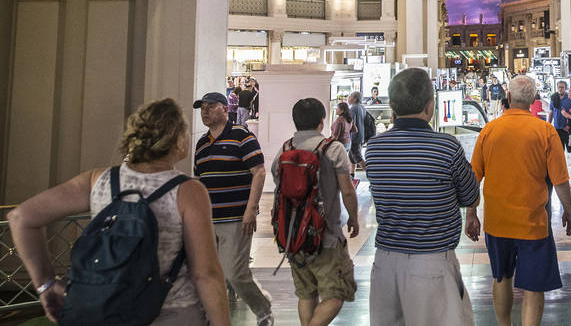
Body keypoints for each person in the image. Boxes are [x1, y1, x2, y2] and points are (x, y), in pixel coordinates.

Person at [9, 98, 231, 325]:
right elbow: (206, 275)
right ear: (177, 140)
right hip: (172, 313)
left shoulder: (99, 180)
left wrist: (45, 284)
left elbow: (20, 217)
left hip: (107, 310)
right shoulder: (188, 192)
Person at [366, 69, 480, 325]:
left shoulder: (374, 148)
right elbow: (471, 196)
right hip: (432, 263)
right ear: (430, 107)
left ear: (392, 107)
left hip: (385, 263)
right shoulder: (446, 147)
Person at [471, 75, 571, 326]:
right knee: (533, 286)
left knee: (501, 278)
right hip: (533, 223)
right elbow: (560, 179)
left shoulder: (489, 130)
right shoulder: (545, 131)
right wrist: (568, 211)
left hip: (497, 223)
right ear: (533, 101)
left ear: (507, 98)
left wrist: (471, 214)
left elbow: (473, 178)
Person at [272, 98, 359, 326]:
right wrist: (353, 217)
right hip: (326, 235)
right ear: (322, 121)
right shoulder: (333, 148)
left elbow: (277, 181)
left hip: (293, 236)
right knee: (337, 293)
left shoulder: (285, 148)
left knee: (306, 293)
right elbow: (347, 190)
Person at [193, 91, 274, 326]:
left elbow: (258, 172)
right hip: (209, 220)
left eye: (210, 107)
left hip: (236, 218)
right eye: (202, 108)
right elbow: (199, 181)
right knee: (212, 274)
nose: (205, 112)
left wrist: (251, 209)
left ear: (224, 108)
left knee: (235, 274)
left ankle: (263, 309)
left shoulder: (241, 136)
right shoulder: (202, 143)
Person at [346, 91, 367, 175]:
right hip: (361, 136)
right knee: (352, 156)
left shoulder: (353, 108)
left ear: (355, 99)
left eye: (350, 96)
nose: (349, 98)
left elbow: (350, 122)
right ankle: (352, 174)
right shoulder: (362, 107)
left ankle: (371, 174)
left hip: (354, 137)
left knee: (358, 157)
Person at [547, 80, 569, 151]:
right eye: (559, 87)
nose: (560, 89)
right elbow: (551, 112)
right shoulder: (554, 98)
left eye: (562, 87)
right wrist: (548, 125)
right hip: (557, 129)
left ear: (565, 88)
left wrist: (569, 125)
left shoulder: (569, 99)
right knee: (559, 150)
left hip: (567, 129)